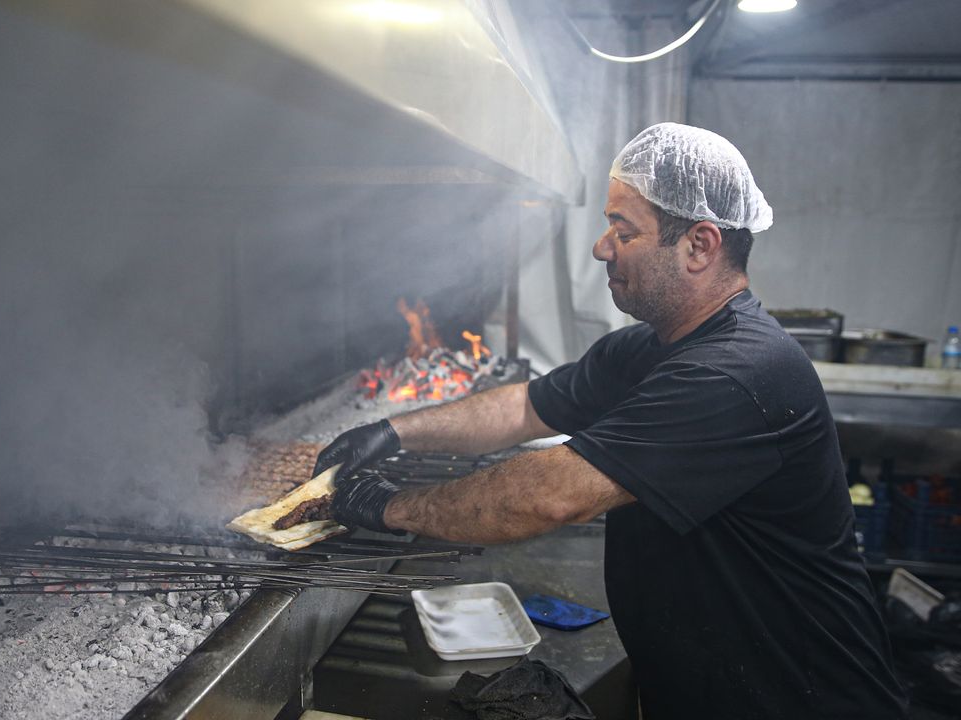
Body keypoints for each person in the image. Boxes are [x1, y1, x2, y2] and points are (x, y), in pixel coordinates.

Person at [319, 123, 908, 720]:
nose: (602, 248)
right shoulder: (649, 348)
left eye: (624, 232)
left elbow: (552, 495)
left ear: (699, 246)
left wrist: (389, 507)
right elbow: (524, 406)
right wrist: (393, 432)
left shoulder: (738, 371)